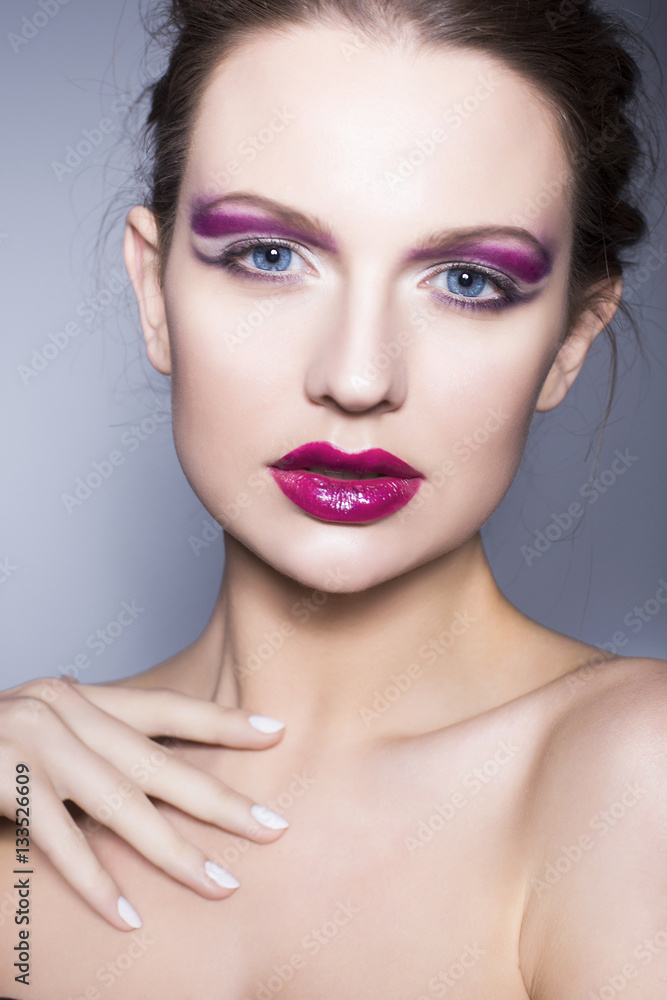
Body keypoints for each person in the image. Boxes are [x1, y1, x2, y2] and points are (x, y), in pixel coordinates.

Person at [0, 0, 665, 996]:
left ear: (568, 341)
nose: (357, 378)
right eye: (269, 256)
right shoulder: (24, 802)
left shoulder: (632, 778)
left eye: (467, 280)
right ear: (154, 292)